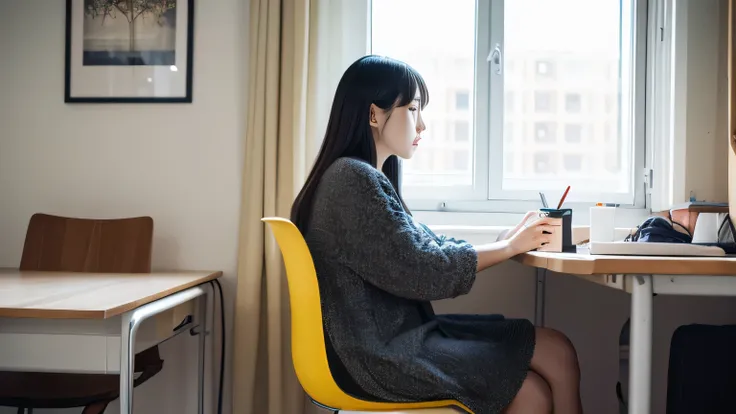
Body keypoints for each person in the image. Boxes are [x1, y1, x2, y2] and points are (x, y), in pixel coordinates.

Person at [290, 55, 583, 414]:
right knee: (532, 391)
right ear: (374, 115)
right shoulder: (352, 180)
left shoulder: (359, 177)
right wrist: (508, 247)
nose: (422, 124)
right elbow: (423, 273)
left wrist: (506, 240)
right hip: (378, 357)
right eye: (413, 109)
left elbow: (422, 247)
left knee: (556, 349)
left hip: (398, 339)